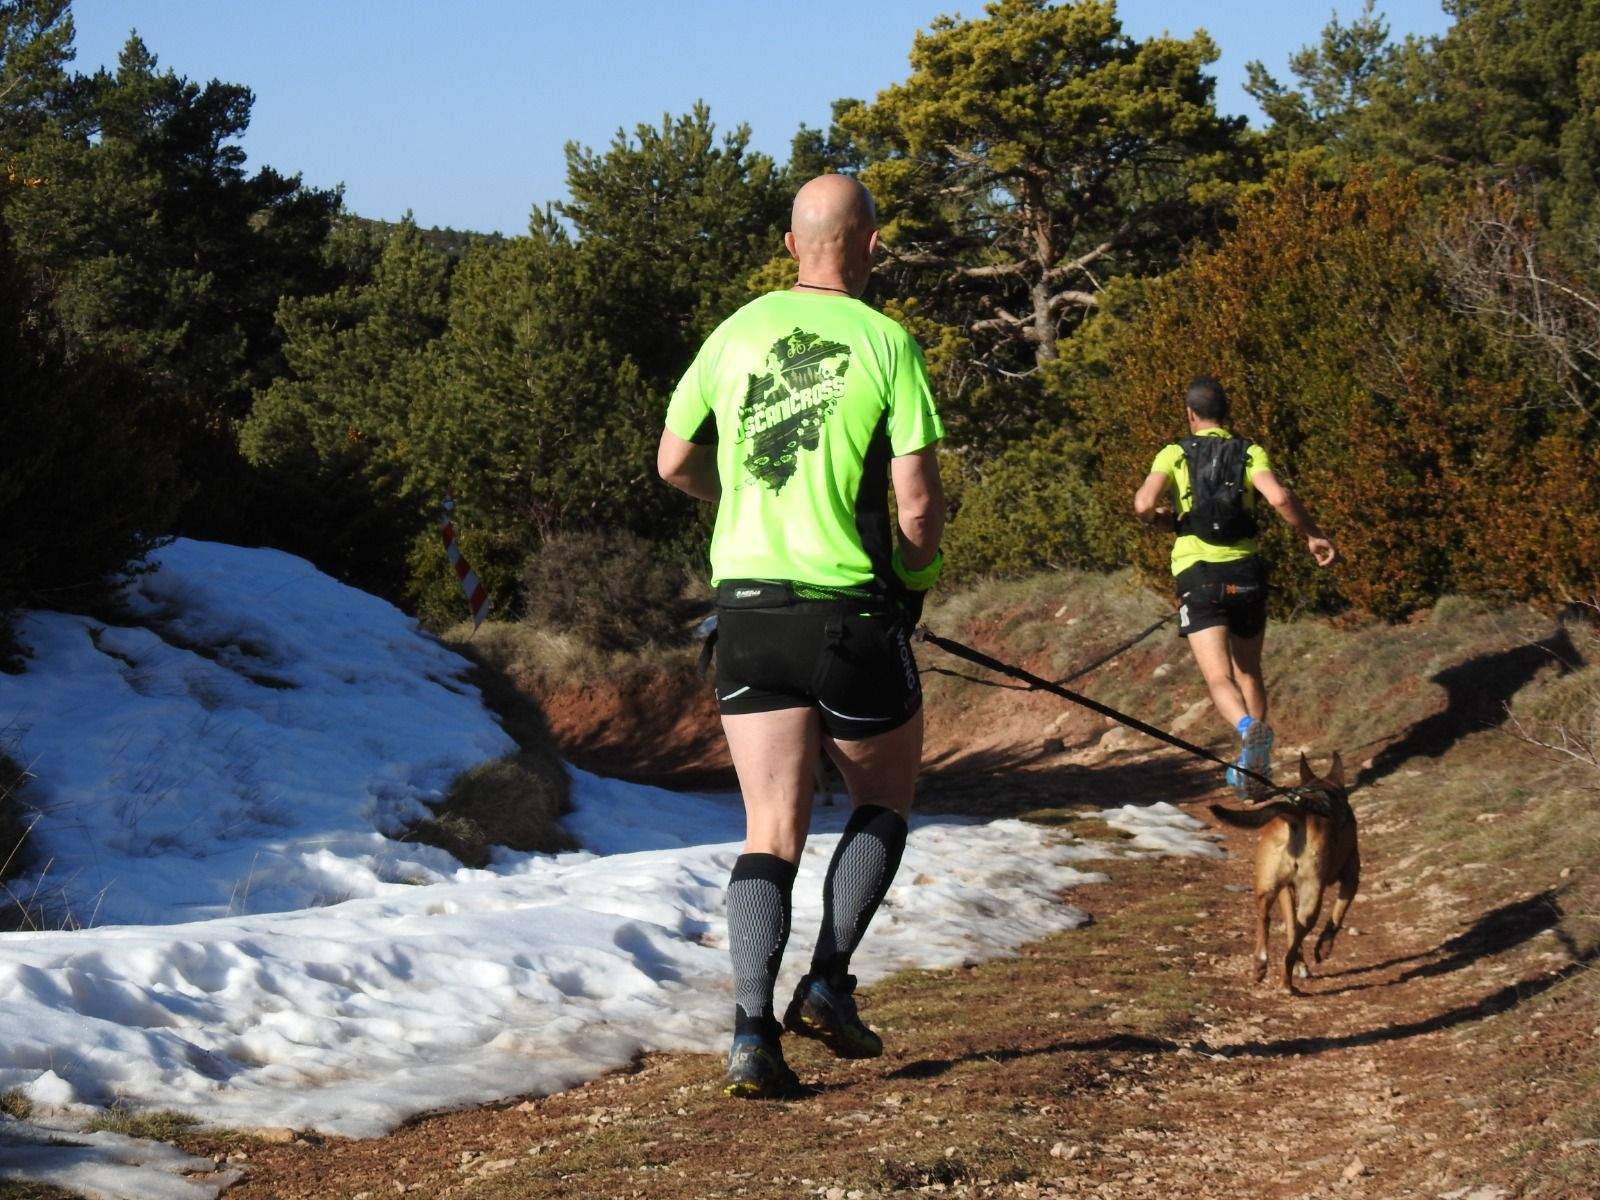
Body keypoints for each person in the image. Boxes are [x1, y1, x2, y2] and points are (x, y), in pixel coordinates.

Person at [657, 174, 946, 1099]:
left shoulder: (734, 332)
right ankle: (825, 982)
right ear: (870, 246)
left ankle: (750, 1035)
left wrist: (736, 496)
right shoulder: (888, 342)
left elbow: (673, 462)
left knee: (768, 830)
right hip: (850, 613)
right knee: (883, 800)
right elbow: (917, 503)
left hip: (746, 616)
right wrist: (913, 587)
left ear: (791, 247)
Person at [1132, 376, 1337, 797]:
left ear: (1190, 413)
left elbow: (1142, 504)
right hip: (1246, 572)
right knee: (1249, 671)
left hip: (1198, 573)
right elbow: (1279, 498)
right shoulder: (1249, 451)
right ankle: (1255, 772)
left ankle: (1247, 730)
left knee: (1219, 677)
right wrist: (1313, 534)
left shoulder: (1173, 453)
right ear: (1226, 412)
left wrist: (1157, 520)